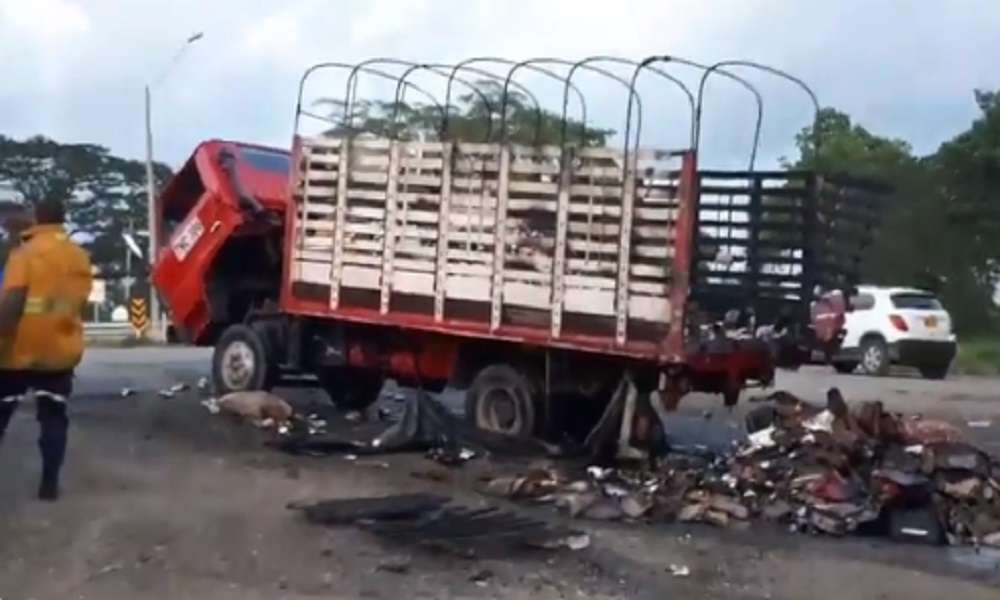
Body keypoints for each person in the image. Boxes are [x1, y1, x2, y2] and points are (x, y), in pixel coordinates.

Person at [0, 199, 92, 501]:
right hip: (60, 350)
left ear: (36, 218)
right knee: (53, 417)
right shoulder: (79, 256)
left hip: (18, 350)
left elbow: (12, 303)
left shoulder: (25, 254)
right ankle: (49, 484)